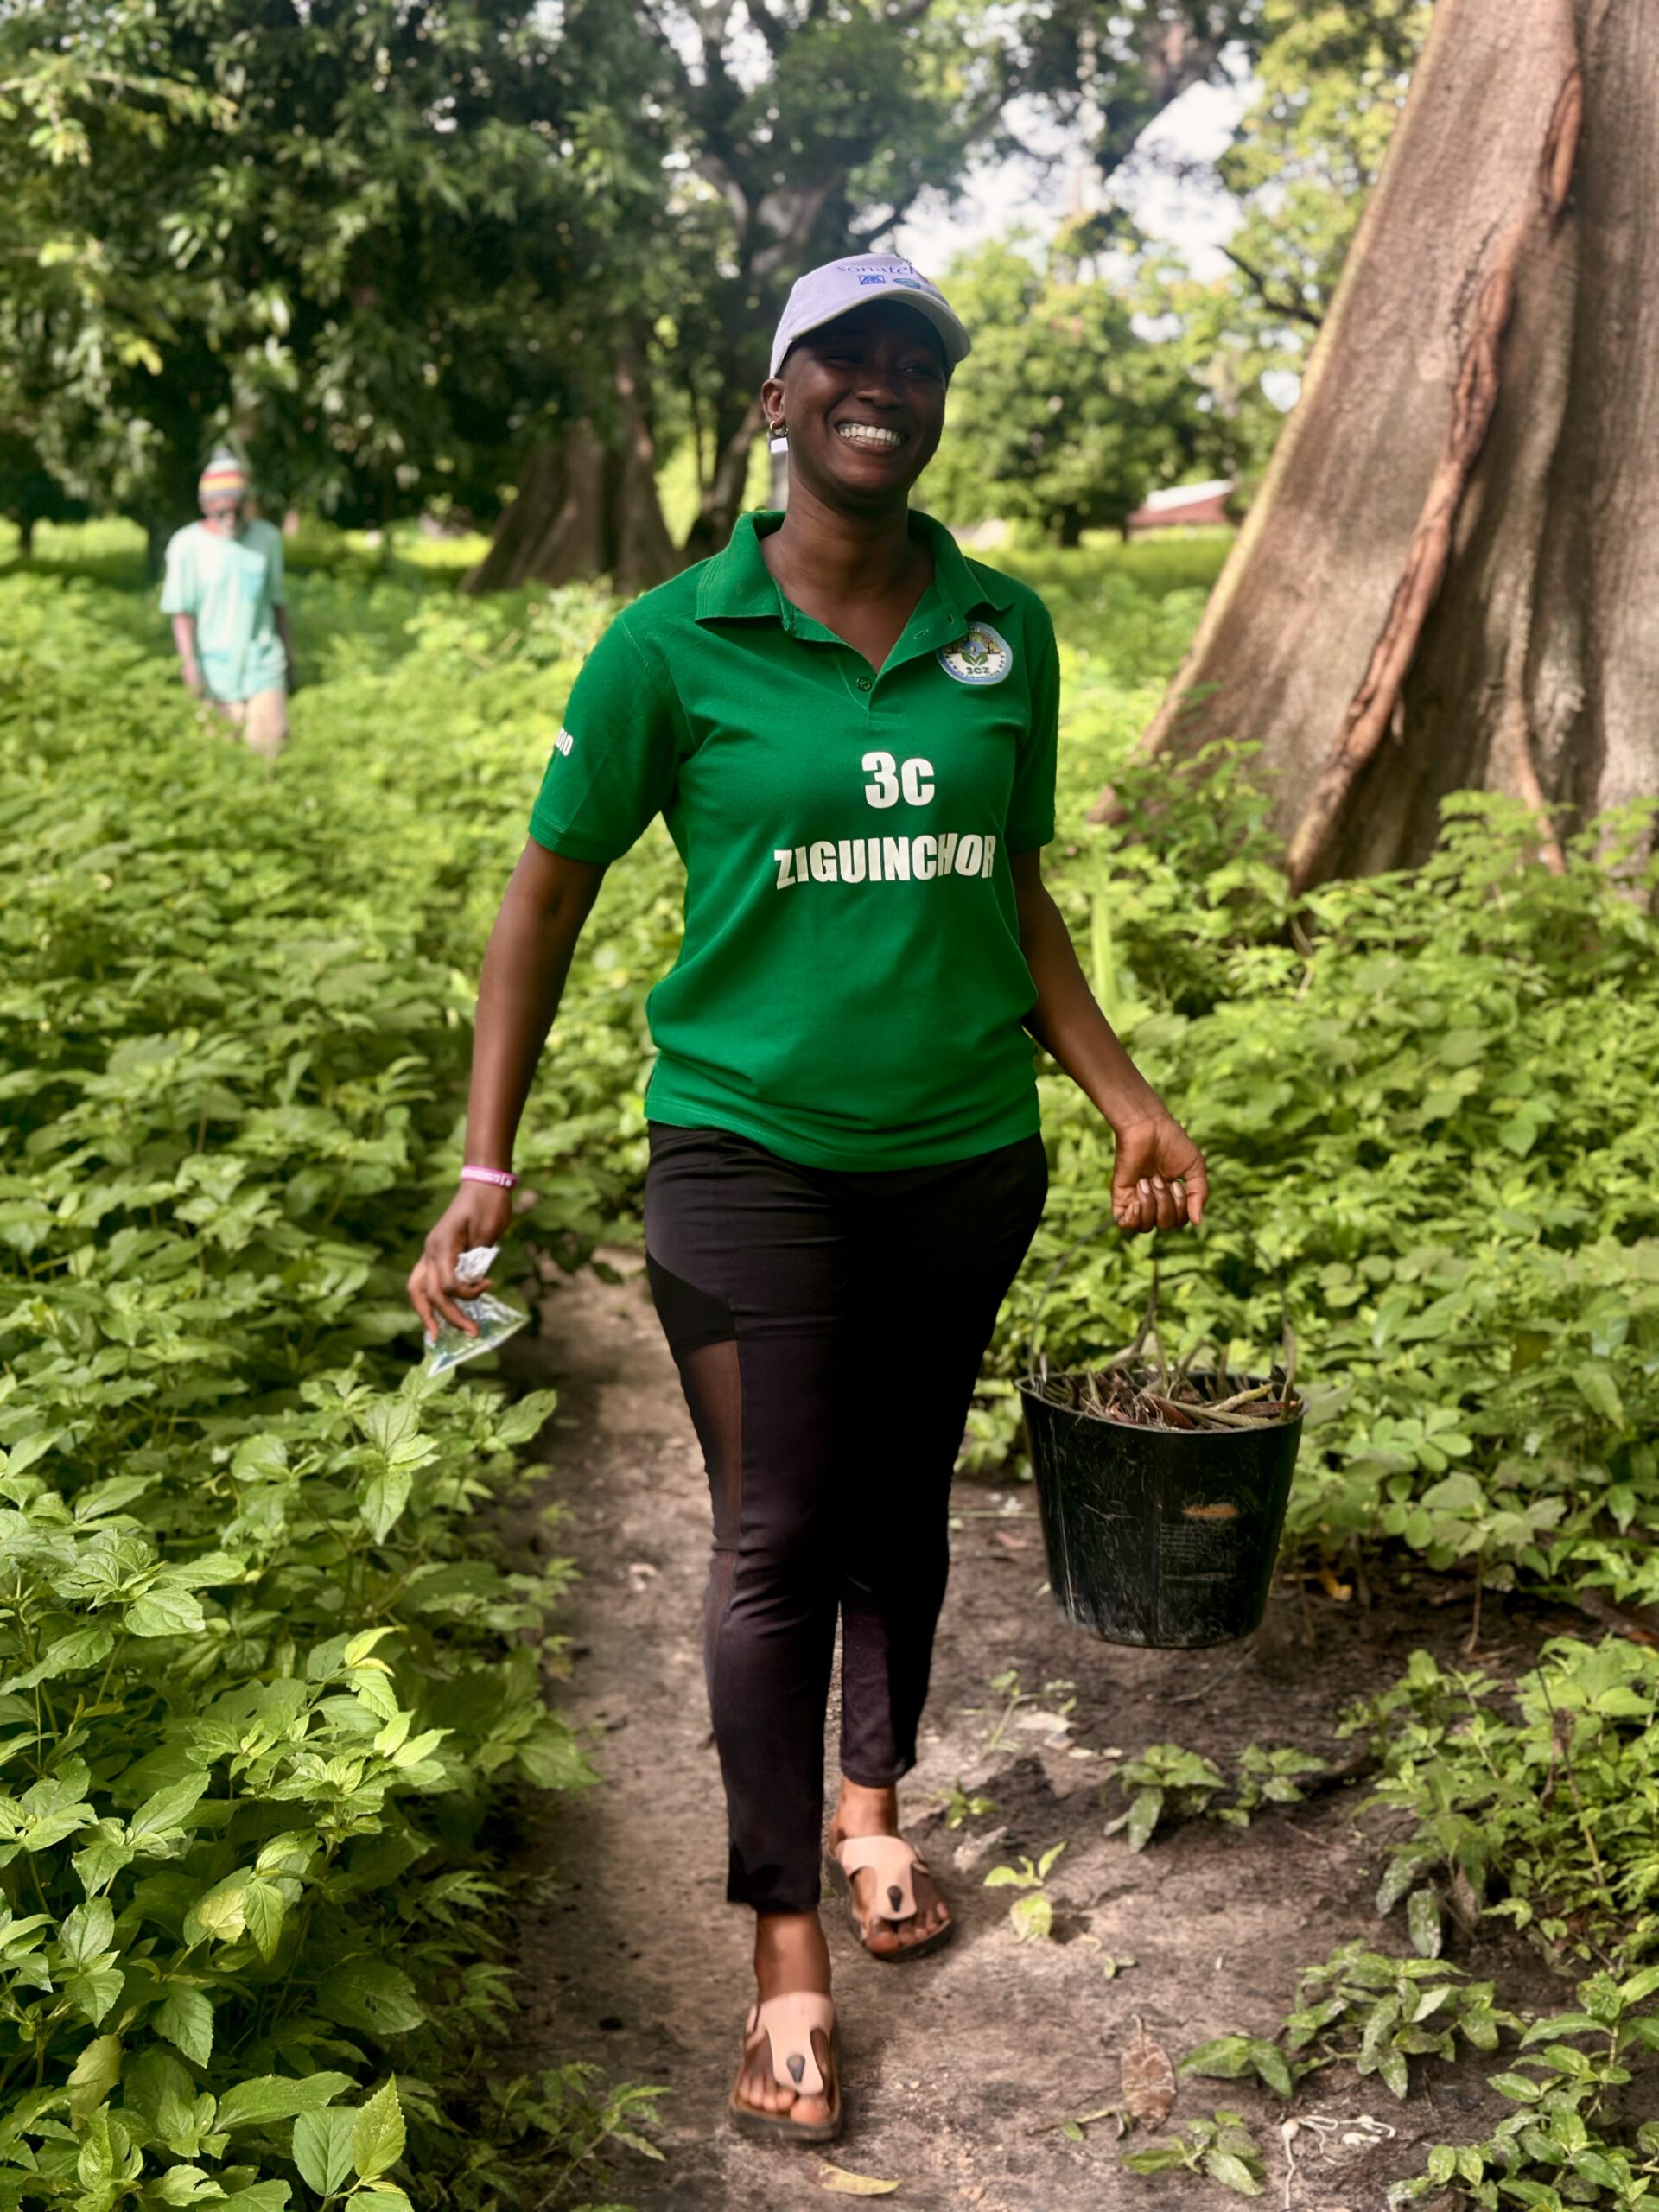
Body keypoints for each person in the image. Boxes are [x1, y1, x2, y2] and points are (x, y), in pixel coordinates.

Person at [407, 251, 1208, 2145]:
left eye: (915, 361)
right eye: (843, 357)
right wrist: (486, 1161)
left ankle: (869, 1806)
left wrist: (1120, 1090)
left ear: (934, 404)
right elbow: (546, 890)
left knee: (898, 1502)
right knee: (776, 1530)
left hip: (960, 1154)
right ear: (777, 400)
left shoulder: (1006, 626)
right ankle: (784, 1944)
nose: (883, 384)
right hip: (744, 1151)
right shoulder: (668, 644)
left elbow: (1010, 882)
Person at [161, 452, 296, 758]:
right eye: (221, 510)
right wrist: (190, 666)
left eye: (236, 508)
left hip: (264, 665)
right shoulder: (186, 545)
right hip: (215, 671)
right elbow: (181, 613)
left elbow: (278, 602)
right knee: (219, 758)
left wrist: (291, 659)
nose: (230, 518)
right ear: (206, 506)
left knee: (270, 752)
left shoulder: (267, 538)